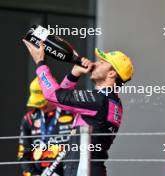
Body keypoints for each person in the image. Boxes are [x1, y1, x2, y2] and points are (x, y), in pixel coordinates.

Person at [22, 39, 134, 176]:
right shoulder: (111, 100)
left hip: (83, 170)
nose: (96, 64)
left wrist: (40, 63)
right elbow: (61, 103)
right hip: (87, 169)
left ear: (112, 74)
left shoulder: (100, 99)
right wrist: (74, 74)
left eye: (102, 62)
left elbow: (53, 95)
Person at [18, 78, 74, 176]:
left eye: (44, 102)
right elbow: (23, 154)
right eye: (38, 103)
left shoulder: (73, 114)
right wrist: (33, 174)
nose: (41, 107)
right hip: (39, 172)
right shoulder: (29, 119)